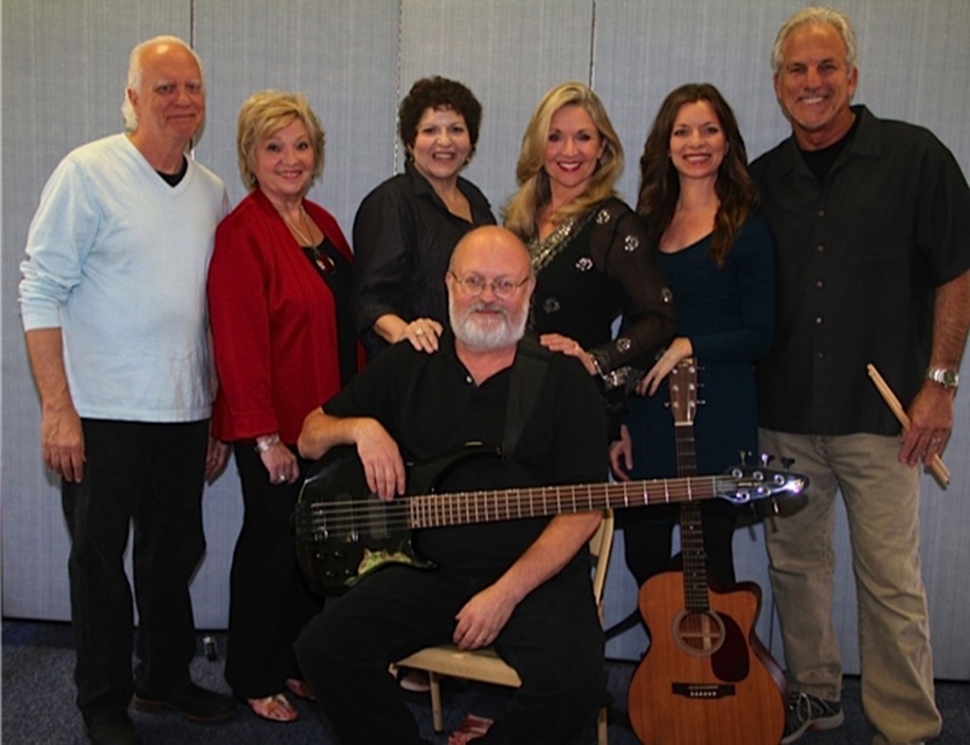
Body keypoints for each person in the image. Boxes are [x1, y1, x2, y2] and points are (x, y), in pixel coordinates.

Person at [294, 226, 608, 745]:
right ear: (449, 285)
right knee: (323, 648)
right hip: (425, 569)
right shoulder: (411, 361)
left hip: (532, 579)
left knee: (575, 682)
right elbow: (309, 436)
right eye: (475, 281)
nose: (488, 297)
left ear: (528, 291)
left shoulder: (563, 379)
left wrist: (504, 595)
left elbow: (583, 509)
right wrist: (362, 429)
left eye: (505, 284)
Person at [751, 7, 970, 744]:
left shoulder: (916, 158)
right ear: (779, 84)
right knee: (796, 570)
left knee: (891, 581)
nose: (812, 83)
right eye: (797, 70)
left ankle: (906, 724)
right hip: (785, 409)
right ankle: (815, 694)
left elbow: (957, 270)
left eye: (825, 67)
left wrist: (941, 380)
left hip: (885, 418)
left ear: (852, 75)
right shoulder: (760, 179)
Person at [18, 36, 236, 745]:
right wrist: (57, 408)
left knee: (173, 556)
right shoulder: (87, 172)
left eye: (192, 88)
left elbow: (206, 310)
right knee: (99, 564)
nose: (181, 101)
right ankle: (101, 701)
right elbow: (40, 289)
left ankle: (163, 677)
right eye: (165, 88)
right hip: (100, 412)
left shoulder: (210, 190)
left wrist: (210, 410)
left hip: (182, 411)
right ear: (134, 98)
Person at [207, 91, 363, 722]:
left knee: (315, 547)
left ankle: (298, 662)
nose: (290, 159)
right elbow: (238, 345)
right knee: (271, 548)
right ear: (250, 157)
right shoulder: (242, 234)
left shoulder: (321, 223)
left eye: (301, 145)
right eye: (274, 147)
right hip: (277, 430)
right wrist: (265, 438)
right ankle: (252, 672)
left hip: (326, 424)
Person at [610, 83, 775, 590]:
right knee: (643, 554)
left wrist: (691, 344)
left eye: (709, 129)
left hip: (717, 412)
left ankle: (704, 664)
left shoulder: (746, 227)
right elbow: (627, 327)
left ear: (727, 142)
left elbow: (762, 335)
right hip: (651, 410)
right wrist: (619, 417)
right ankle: (669, 650)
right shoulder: (646, 223)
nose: (696, 142)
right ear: (666, 143)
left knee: (711, 560)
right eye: (682, 131)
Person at [505, 81, 674, 411]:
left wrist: (596, 361)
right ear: (539, 147)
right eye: (555, 137)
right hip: (513, 400)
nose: (570, 151)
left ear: (602, 148)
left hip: (573, 404)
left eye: (583, 137)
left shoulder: (612, 224)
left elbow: (661, 318)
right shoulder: (519, 221)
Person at [353, 76, 496, 360]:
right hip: (413, 369)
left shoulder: (476, 200)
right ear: (410, 141)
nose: (444, 142)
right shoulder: (390, 203)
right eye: (430, 130)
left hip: (471, 364)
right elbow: (368, 301)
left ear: (471, 140)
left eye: (456, 129)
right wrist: (405, 333)